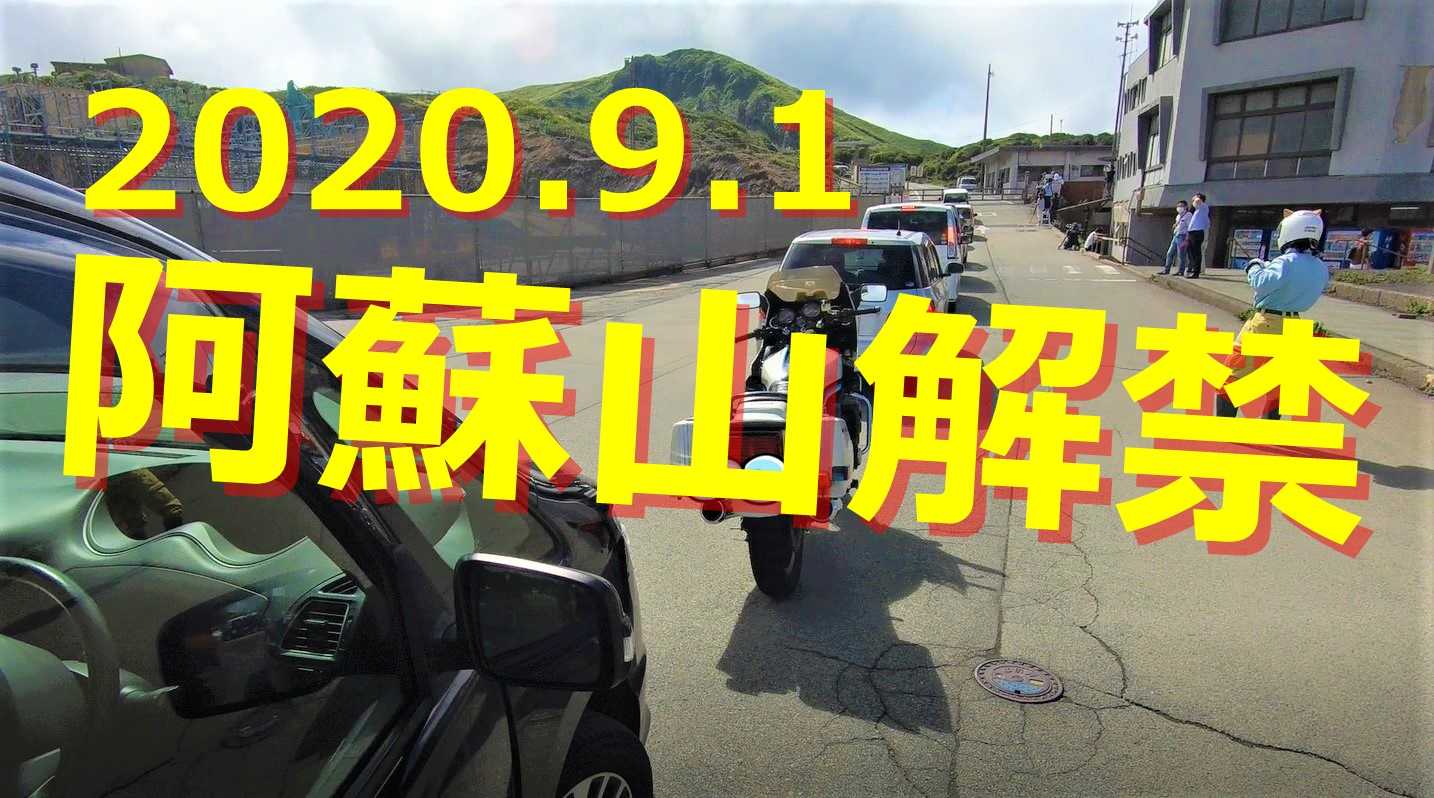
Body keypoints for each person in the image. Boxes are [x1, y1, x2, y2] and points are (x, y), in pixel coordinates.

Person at [1215, 209, 1330, 418]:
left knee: (1234, 375)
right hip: (1295, 325)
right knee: (1279, 380)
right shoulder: (1320, 267)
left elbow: (1261, 282)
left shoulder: (1285, 262)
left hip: (1267, 322)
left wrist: (1254, 265)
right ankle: (1270, 426)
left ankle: (1223, 426)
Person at [1160, 200, 1191, 275]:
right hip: (1176, 235)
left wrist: (1187, 239)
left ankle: (1181, 271)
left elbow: (1189, 228)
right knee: (1170, 253)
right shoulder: (1178, 216)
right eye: (1178, 206)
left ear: (1186, 207)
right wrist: (1175, 225)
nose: (1179, 208)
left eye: (1181, 206)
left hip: (1182, 236)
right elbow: (1178, 224)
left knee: (1181, 255)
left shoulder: (1188, 215)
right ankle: (1166, 269)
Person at [1184, 193, 1210, 277]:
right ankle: (1192, 269)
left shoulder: (1204, 207)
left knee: (1196, 252)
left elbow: (1197, 200)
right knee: (1191, 252)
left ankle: (1196, 272)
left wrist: (1196, 197)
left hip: (1197, 232)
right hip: (1192, 232)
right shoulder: (1197, 211)